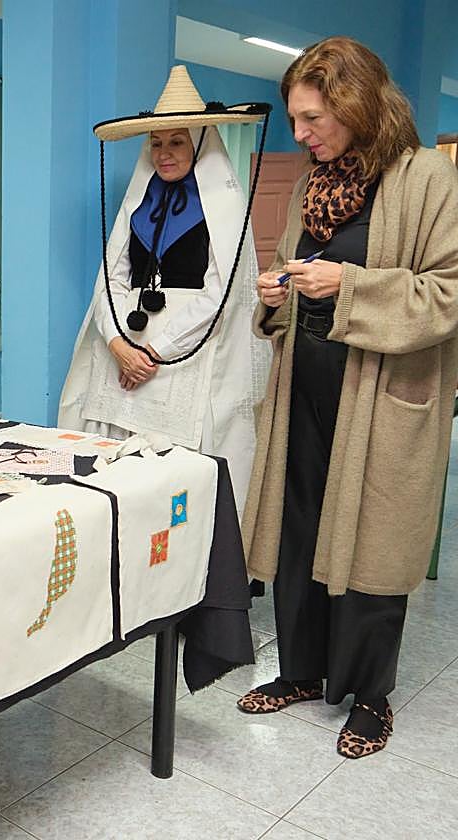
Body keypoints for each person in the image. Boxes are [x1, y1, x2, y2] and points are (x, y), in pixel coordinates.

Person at [237, 37, 458, 760]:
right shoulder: (312, 184)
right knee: (300, 525)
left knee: (371, 540)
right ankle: (302, 670)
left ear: (355, 102)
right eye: (296, 121)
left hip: (384, 398)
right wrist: (275, 293)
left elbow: (449, 293)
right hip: (305, 383)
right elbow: (291, 270)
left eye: (311, 119)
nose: (300, 136)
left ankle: (370, 695)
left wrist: (351, 287)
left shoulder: (428, 179)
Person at [57, 66, 271, 514]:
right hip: (126, 357)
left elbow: (223, 293)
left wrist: (156, 351)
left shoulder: (223, 207)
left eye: (176, 142)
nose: (164, 153)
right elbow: (110, 279)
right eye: (156, 142)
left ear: (198, 143)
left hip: (183, 360)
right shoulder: (138, 200)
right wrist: (117, 343)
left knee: (173, 484)